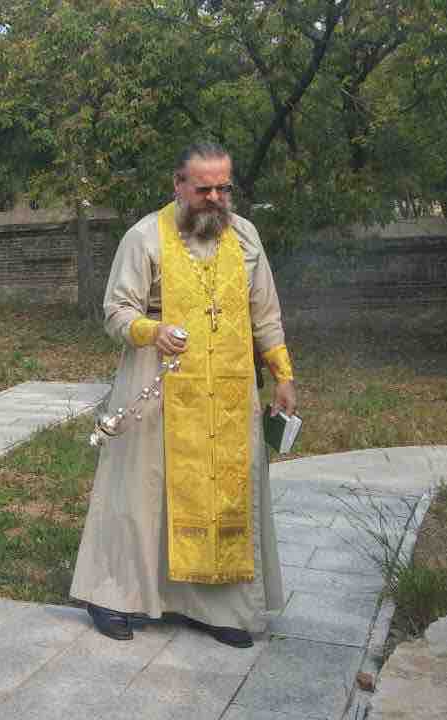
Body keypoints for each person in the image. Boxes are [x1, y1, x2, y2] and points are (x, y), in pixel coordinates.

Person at [70, 142, 298, 649]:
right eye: (203, 189)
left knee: (223, 497)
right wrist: (152, 331)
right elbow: (116, 311)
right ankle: (113, 596)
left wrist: (283, 374)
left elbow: (265, 312)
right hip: (158, 382)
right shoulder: (144, 236)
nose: (215, 198)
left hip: (229, 393)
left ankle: (216, 608)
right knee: (141, 494)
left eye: (223, 188)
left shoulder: (246, 237)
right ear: (178, 185)